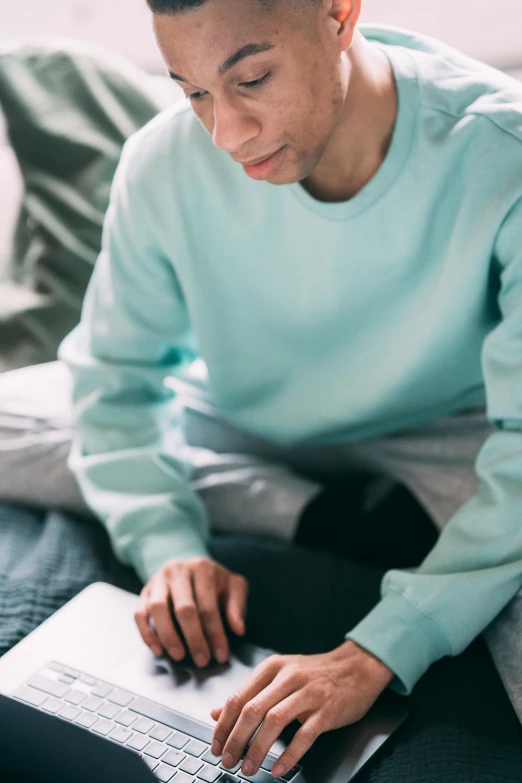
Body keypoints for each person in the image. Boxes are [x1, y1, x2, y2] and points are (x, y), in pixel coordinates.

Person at [58, 0, 522, 779]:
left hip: (455, 429)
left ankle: (284, 504)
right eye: (193, 91)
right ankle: (308, 508)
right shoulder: (161, 163)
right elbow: (113, 378)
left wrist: (382, 645)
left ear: (339, 13)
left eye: (251, 78)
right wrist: (164, 545)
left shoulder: (501, 151)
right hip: (242, 412)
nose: (226, 135)